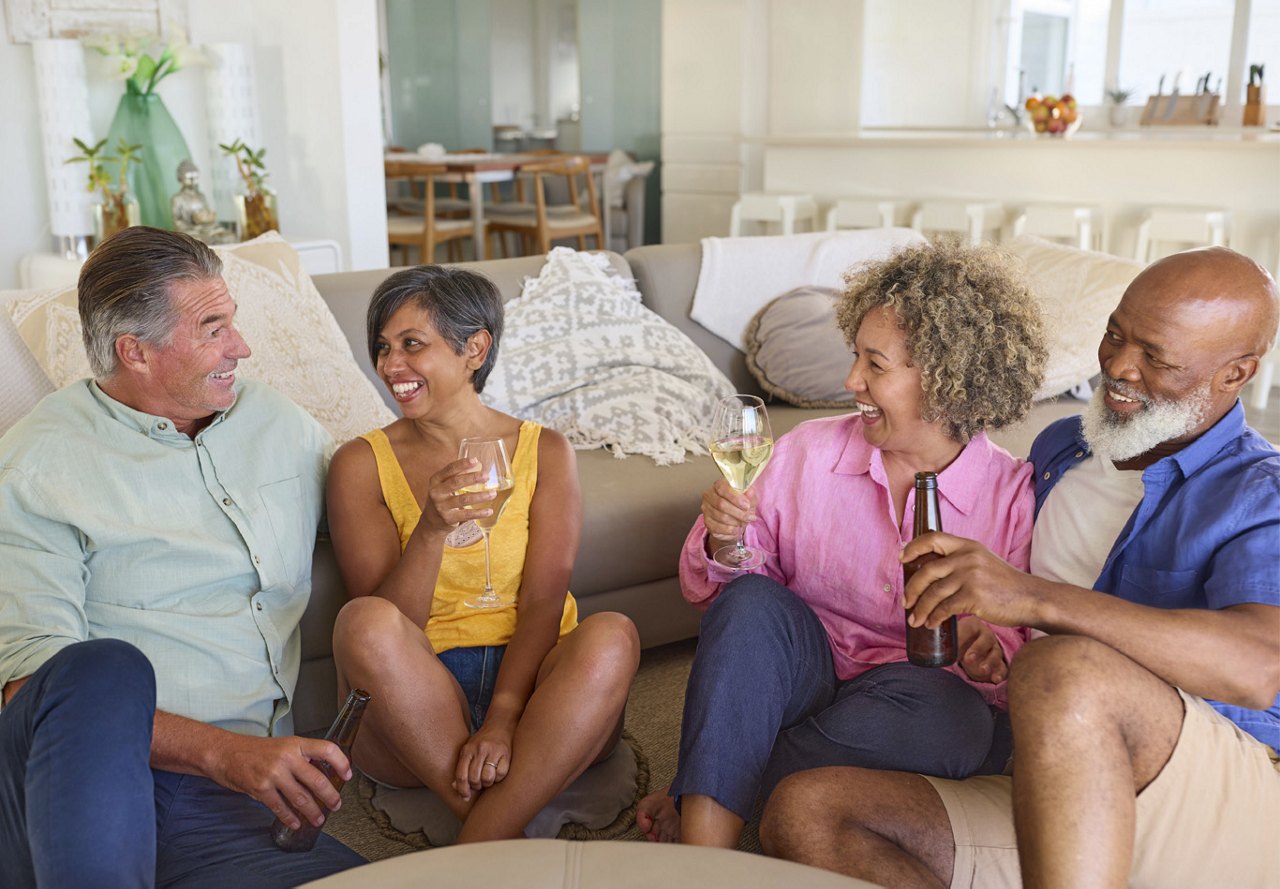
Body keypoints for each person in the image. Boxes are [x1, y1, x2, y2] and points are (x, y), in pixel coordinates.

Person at [760, 246, 1280, 889]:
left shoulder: (1258, 492)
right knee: (806, 812)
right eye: (1115, 334)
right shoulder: (1062, 447)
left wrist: (1033, 599)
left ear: (1237, 373)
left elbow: (1260, 667)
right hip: (1059, 770)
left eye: (1157, 357)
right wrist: (987, 633)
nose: (1119, 366)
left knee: (1065, 663)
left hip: (1216, 795)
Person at [636, 240, 1051, 847]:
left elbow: (1017, 662)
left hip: (909, 697)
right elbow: (739, 598)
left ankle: (713, 780)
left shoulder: (1013, 496)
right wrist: (726, 541)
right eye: (855, 356)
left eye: (875, 365)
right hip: (804, 674)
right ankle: (705, 858)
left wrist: (982, 651)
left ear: (944, 382)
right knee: (749, 602)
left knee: (961, 724)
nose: (849, 379)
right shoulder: (809, 450)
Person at [0, 227, 364, 888]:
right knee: (102, 669)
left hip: (231, 807)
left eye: (234, 323)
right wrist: (228, 753)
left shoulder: (279, 425)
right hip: (84, 784)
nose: (241, 347)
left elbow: (375, 516)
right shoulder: (37, 463)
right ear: (134, 351)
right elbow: (34, 688)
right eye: (213, 328)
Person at [326, 265, 640, 842]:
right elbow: (387, 627)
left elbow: (545, 598)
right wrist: (430, 531)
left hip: (537, 687)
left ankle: (481, 842)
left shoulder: (544, 450)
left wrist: (502, 718)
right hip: (412, 704)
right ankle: (500, 830)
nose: (391, 367)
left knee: (613, 633)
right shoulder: (359, 463)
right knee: (362, 621)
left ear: (474, 349)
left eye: (412, 344)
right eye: (382, 347)